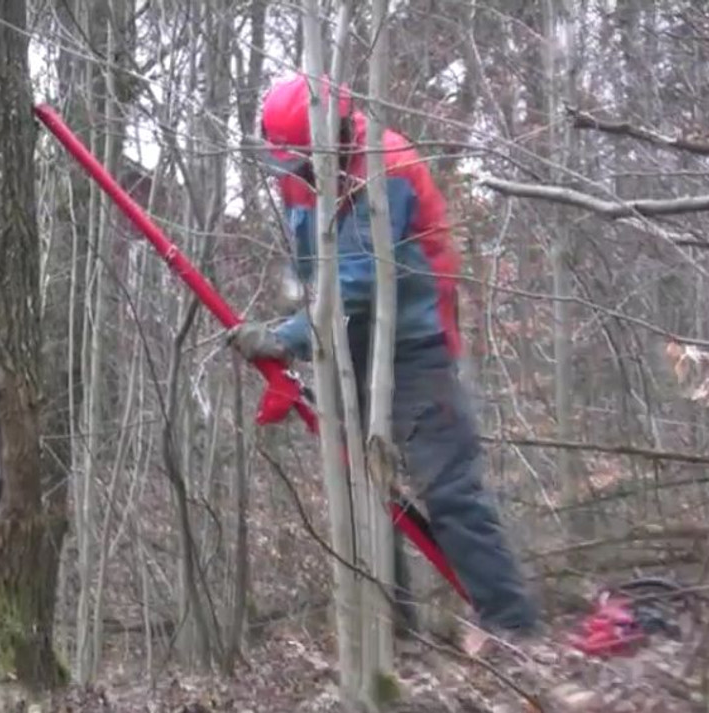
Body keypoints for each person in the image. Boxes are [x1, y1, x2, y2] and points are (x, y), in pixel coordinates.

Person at [228, 75, 541, 651]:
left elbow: (361, 278)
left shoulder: (386, 168)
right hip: (347, 349)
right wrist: (303, 324)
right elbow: (315, 266)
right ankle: (396, 640)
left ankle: (515, 629)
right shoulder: (295, 173)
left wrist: (289, 336)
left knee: (451, 492)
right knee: (362, 492)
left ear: (338, 136)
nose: (297, 176)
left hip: (416, 346)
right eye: (289, 163)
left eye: (304, 161)